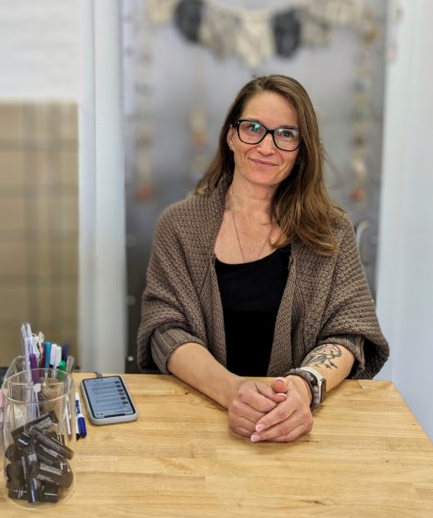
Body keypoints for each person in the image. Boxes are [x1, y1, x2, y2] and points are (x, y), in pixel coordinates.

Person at [137, 74, 389, 443]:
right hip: (198, 425)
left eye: (286, 133)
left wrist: (303, 389)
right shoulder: (179, 226)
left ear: (302, 148)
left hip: (299, 427)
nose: (267, 146)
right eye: (252, 127)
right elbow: (165, 330)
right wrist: (231, 391)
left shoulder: (331, 232)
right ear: (231, 136)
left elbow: (349, 332)